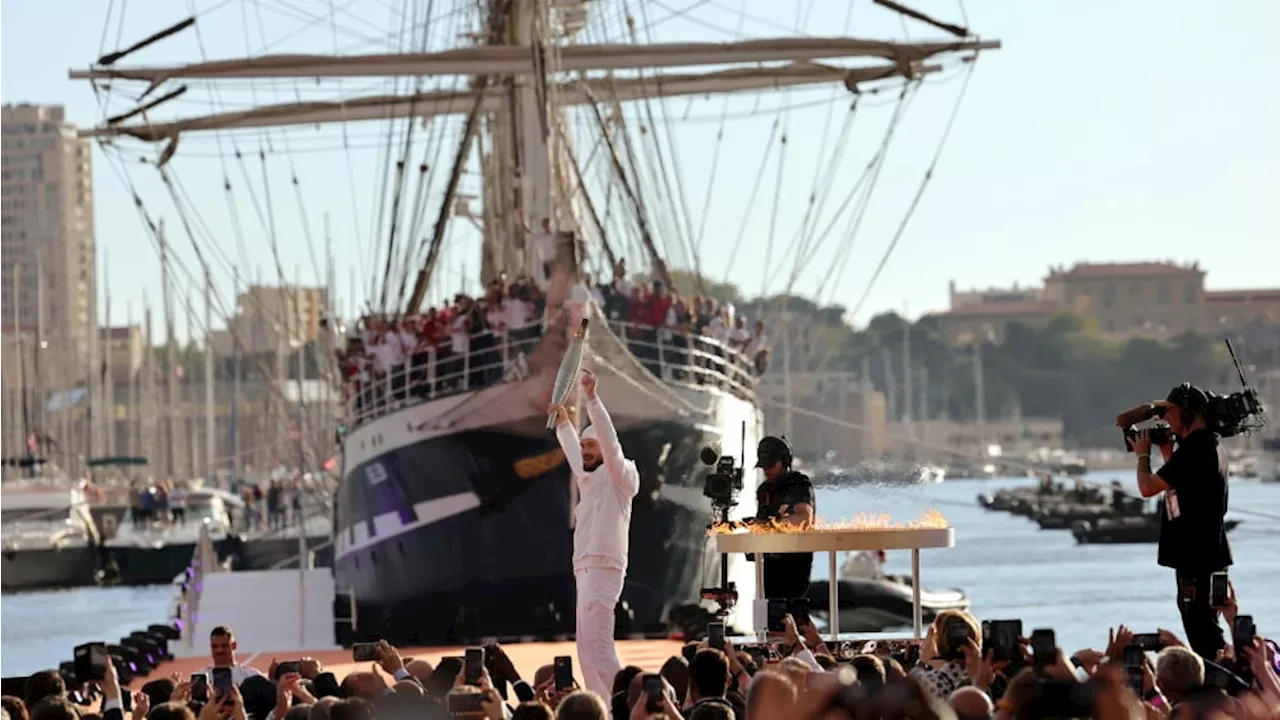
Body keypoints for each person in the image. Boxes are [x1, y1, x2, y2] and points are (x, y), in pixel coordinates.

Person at [551, 368, 640, 699]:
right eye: (585, 444)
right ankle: (599, 707)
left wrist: (592, 398)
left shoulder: (621, 476)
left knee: (599, 650)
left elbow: (612, 445)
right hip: (585, 569)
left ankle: (629, 703)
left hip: (604, 568)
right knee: (586, 652)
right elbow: (575, 454)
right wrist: (562, 422)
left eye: (592, 445)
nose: (586, 451)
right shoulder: (589, 478)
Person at [1131, 382, 1231, 660]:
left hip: (1197, 556)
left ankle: (1215, 681)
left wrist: (1142, 454)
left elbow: (1147, 487)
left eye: (1171, 412)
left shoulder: (1196, 447)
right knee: (1205, 624)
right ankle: (1217, 674)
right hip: (1208, 553)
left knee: (1201, 627)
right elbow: (1179, 485)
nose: (1165, 419)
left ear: (1187, 414)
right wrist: (1166, 453)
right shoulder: (1208, 444)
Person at [751, 436, 815, 599]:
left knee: (791, 613)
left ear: (784, 461)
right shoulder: (764, 490)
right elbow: (761, 521)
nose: (767, 471)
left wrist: (770, 526)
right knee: (772, 615)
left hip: (794, 565)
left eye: (771, 465)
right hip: (770, 564)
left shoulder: (798, 484)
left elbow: (803, 519)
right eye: (764, 466)